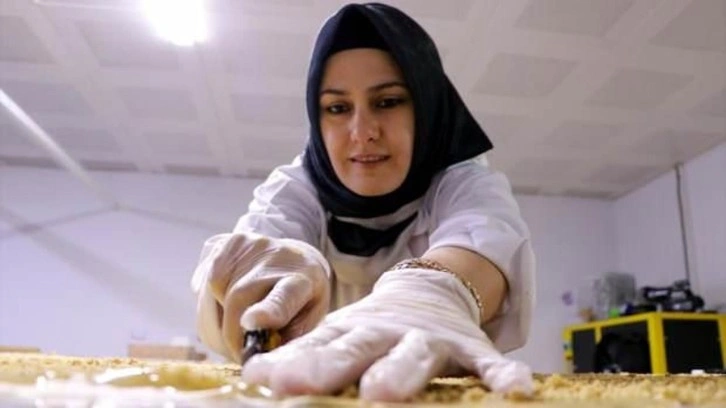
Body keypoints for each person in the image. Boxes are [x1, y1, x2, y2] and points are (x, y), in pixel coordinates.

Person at [191, 2, 535, 402]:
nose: (362, 132)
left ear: (426, 106)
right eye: (337, 108)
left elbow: (486, 236)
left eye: (387, 101)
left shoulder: (463, 181)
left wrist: (431, 295)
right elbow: (264, 237)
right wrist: (261, 278)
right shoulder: (294, 188)